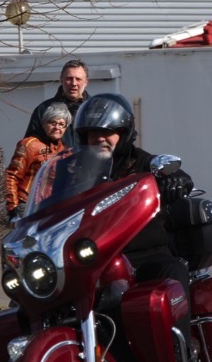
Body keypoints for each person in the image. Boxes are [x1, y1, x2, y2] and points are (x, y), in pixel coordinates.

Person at [74, 93, 195, 341]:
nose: (99, 139)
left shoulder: (142, 162)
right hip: (92, 259)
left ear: (125, 133)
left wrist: (176, 182)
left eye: (108, 132)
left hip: (144, 258)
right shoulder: (73, 169)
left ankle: (178, 356)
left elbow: (179, 175)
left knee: (173, 274)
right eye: (92, 133)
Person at [5, 102, 72, 222]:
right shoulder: (30, 144)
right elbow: (11, 175)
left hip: (53, 209)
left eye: (62, 124)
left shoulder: (65, 150)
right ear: (43, 123)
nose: (57, 127)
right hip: (27, 207)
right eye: (53, 123)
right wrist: (13, 207)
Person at [24, 59, 90, 150]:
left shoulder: (95, 109)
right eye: (69, 79)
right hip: (56, 163)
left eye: (78, 79)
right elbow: (31, 146)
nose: (74, 83)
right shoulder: (44, 110)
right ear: (61, 80)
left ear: (86, 82)